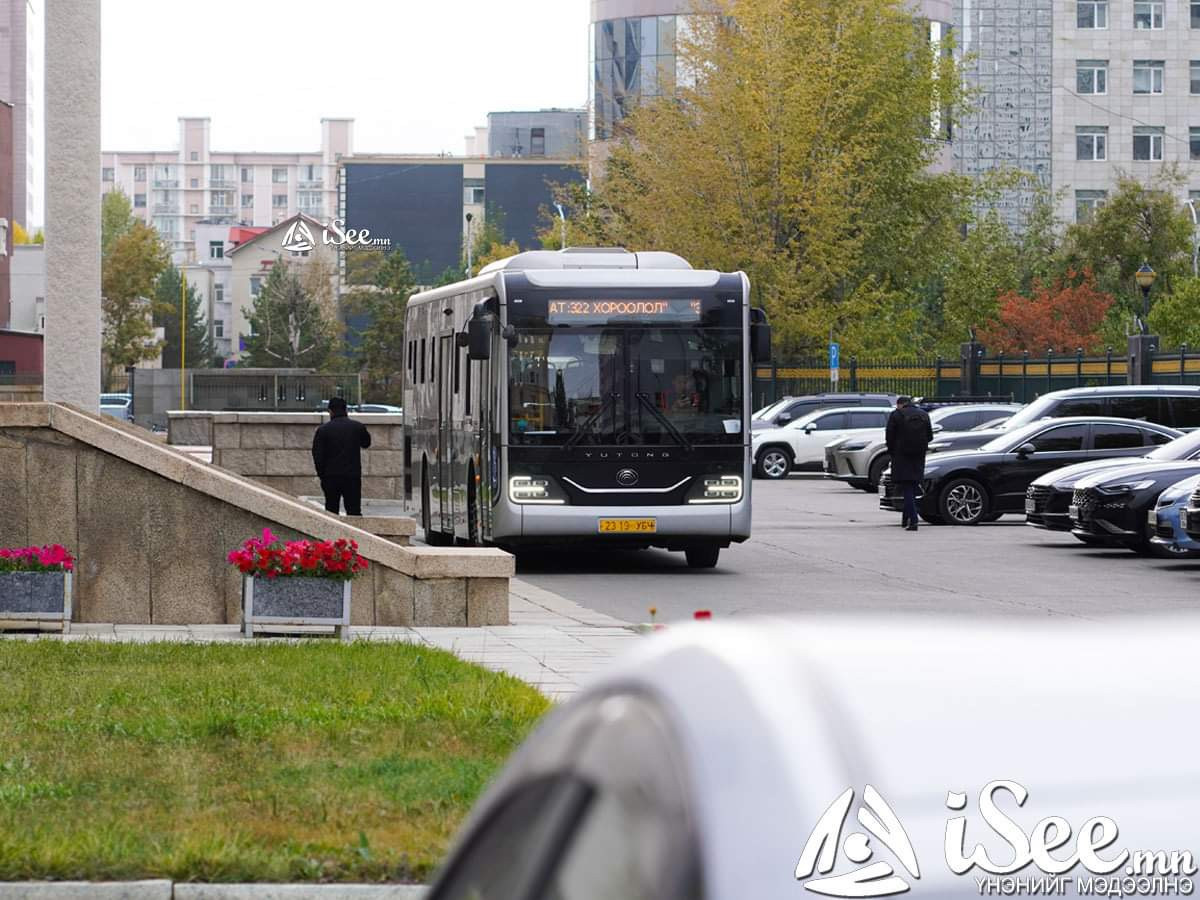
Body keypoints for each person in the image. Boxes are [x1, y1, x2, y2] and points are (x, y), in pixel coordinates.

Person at [312, 397, 372, 516]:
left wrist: (322, 475)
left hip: (330, 476)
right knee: (354, 511)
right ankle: (354, 534)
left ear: (330, 411)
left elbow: (317, 455)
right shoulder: (357, 427)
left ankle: (332, 534)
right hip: (352, 476)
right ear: (346, 410)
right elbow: (366, 443)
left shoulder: (323, 430)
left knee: (331, 510)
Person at [885, 396, 933, 532]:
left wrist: (892, 451)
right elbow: (930, 436)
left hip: (901, 456)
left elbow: (889, 436)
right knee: (912, 486)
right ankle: (906, 518)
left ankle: (913, 520)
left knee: (906, 489)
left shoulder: (896, 415)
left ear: (900, 405)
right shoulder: (924, 414)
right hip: (918, 456)